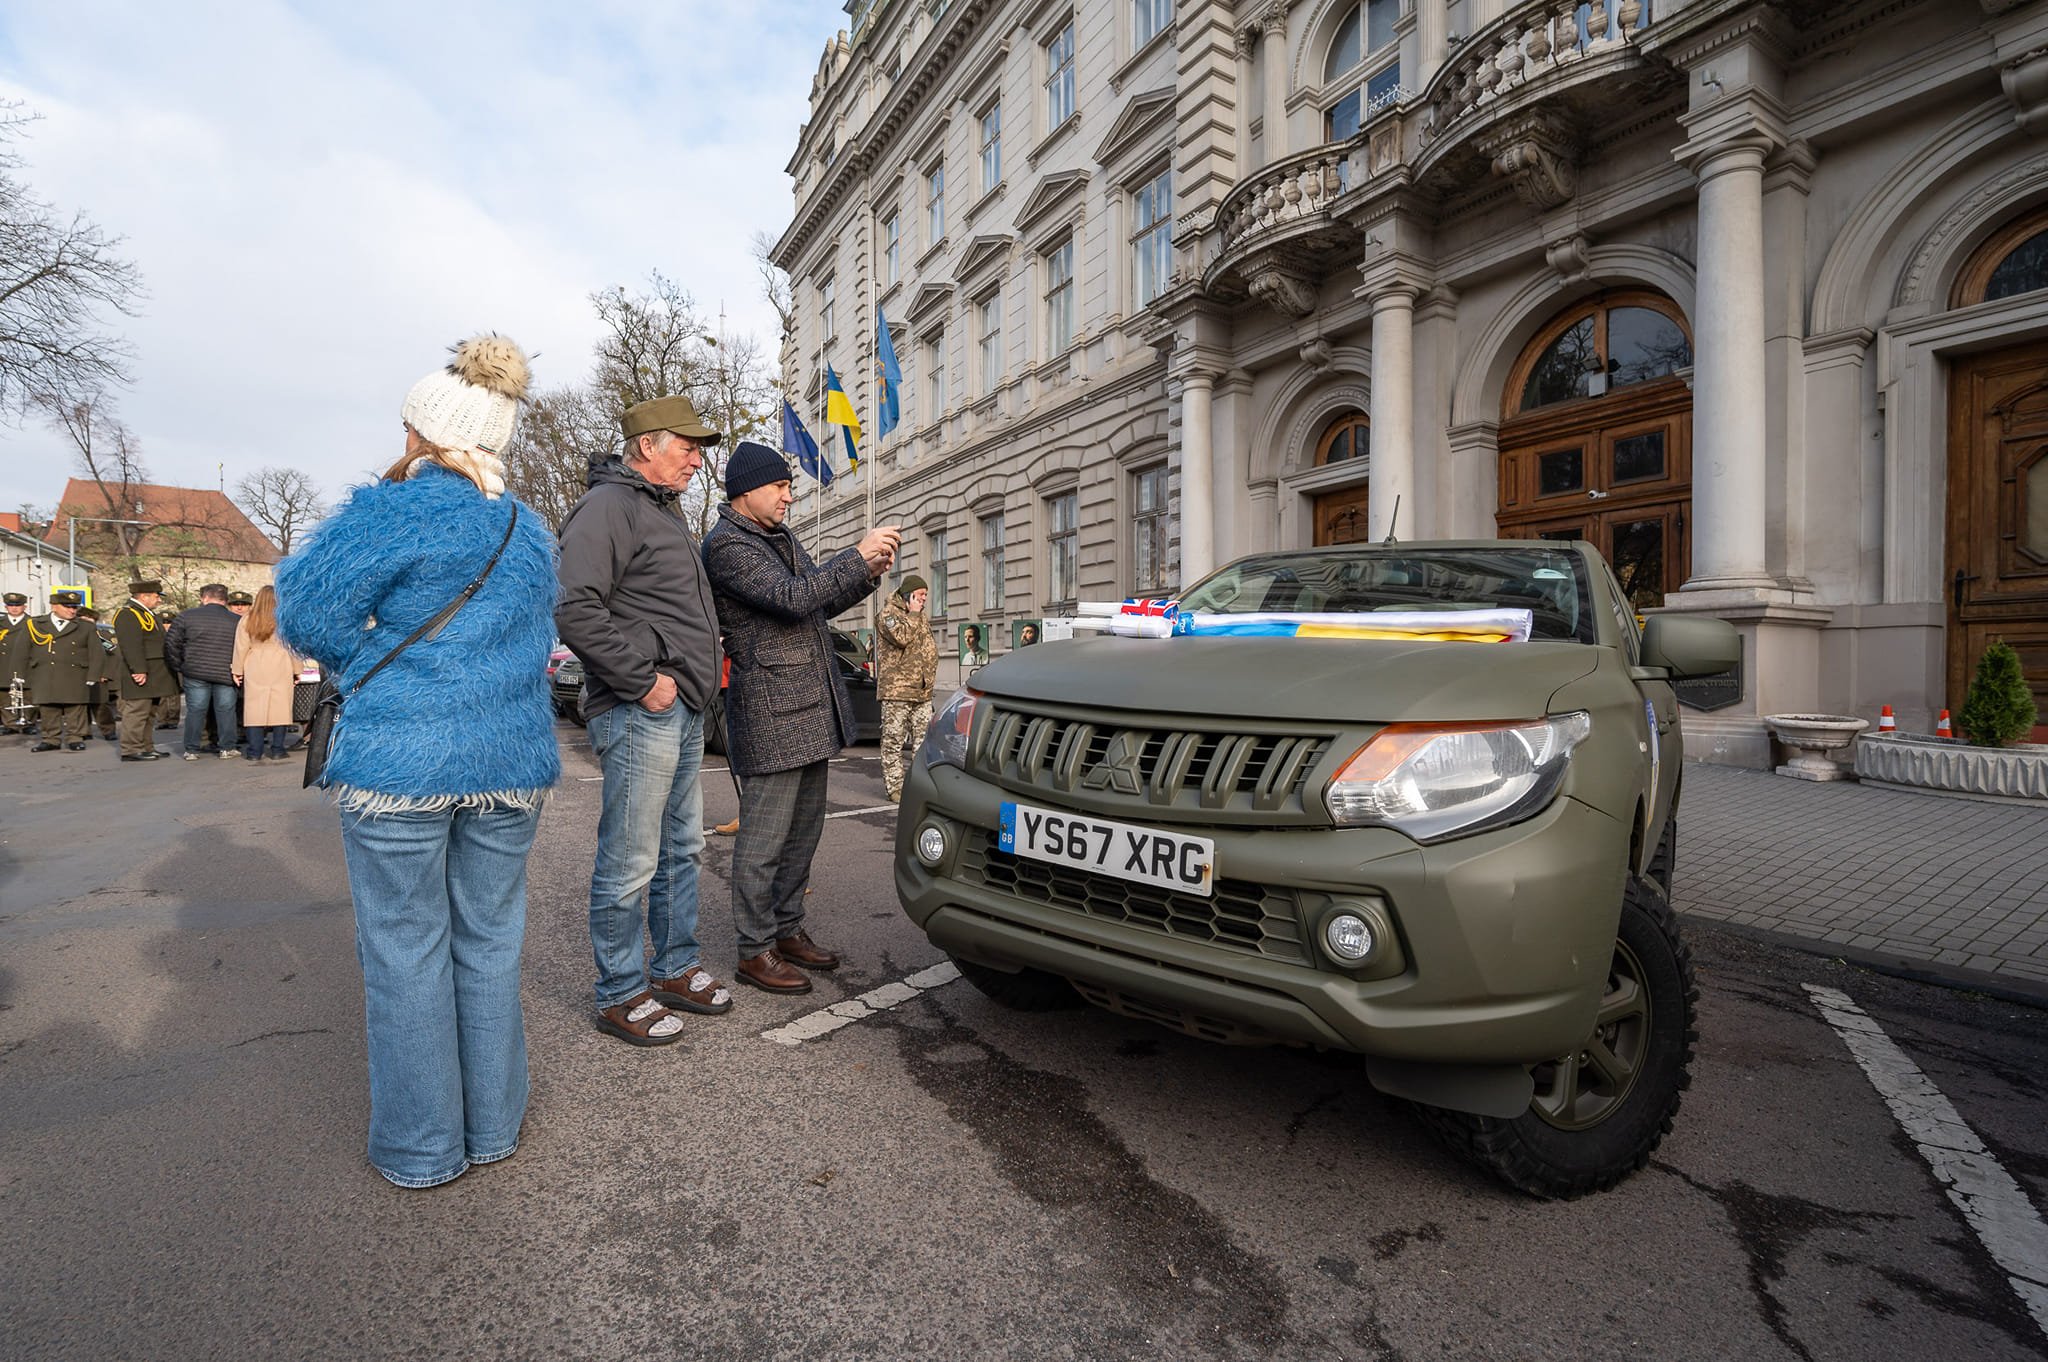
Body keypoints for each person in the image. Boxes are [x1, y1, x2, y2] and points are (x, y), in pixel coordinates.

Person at [275, 334, 559, 1189]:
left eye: (407, 426)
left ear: (425, 434)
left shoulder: (389, 511)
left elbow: (305, 610)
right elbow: (535, 636)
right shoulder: (529, 527)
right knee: (489, 942)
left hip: (400, 763)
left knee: (405, 952)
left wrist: (365, 664)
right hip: (508, 762)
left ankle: (421, 1147)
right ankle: (493, 1129)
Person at [556, 394, 731, 1045]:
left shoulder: (662, 510)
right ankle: (619, 992)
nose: (695, 458)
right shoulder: (609, 506)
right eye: (686, 446)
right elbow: (574, 607)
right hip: (641, 709)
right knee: (632, 858)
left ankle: (675, 967)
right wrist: (643, 681)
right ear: (647, 444)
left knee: (681, 848)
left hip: (680, 707)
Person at [701, 440, 898, 994]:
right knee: (763, 842)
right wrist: (853, 556)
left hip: (806, 709)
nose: (790, 496)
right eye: (781, 487)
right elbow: (790, 597)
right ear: (746, 491)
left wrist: (865, 573)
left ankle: (786, 930)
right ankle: (754, 948)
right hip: (770, 712)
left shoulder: (777, 536)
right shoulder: (726, 546)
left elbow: (817, 601)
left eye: (790, 486)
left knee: (802, 834)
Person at [876, 575, 937, 804]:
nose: (924, 600)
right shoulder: (889, 615)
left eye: (925, 596)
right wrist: (912, 613)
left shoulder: (919, 616)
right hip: (897, 691)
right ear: (909, 595)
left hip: (921, 691)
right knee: (893, 740)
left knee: (924, 742)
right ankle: (895, 787)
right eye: (920, 595)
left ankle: (918, 785)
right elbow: (901, 638)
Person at [166, 582, 244, 760]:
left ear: (205, 598)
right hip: (226, 672)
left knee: (195, 710)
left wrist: (181, 666)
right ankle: (227, 747)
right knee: (226, 710)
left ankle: (192, 750)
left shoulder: (186, 616)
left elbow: (171, 644)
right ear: (225, 600)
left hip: (195, 671)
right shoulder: (236, 620)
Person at [22, 589, 98, 751]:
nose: (72, 610)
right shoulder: (35, 624)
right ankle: (51, 739)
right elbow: (21, 651)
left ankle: (75, 737)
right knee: (48, 707)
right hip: (44, 673)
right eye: (67, 607)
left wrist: (94, 674)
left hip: (76, 673)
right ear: (54, 606)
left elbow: (96, 653)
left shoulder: (85, 627)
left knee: (75, 707)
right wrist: (19, 675)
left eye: (75, 607)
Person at [232, 585, 300, 761]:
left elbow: (241, 647)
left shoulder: (248, 619)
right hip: (281, 663)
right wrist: (297, 670)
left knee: (254, 709)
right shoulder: (285, 619)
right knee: (281, 708)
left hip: (255, 663)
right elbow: (293, 647)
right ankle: (278, 749)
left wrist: (237, 670)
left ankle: (255, 751)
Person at [112, 580, 175, 760]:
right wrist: (138, 669)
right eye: (156, 596)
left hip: (154, 671)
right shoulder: (128, 614)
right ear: (144, 596)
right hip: (142, 670)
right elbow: (131, 645)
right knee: (137, 710)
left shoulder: (146, 613)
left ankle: (146, 746)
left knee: (149, 711)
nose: (159, 600)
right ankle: (131, 749)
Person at [77, 606, 119, 740]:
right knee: (80, 706)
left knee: (100, 705)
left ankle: (108, 731)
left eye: (88, 621)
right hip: (78, 675)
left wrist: (105, 674)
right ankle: (84, 731)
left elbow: (112, 655)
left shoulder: (102, 637)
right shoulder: (73, 635)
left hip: (98, 675)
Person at [1, 590, 34, 734]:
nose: (14, 608)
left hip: (26, 665)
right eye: (10, 605)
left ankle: (28, 723)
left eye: (18, 605)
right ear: (5, 607)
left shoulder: (33, 623)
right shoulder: (1, 623)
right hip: (4, 664)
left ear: (24, 607)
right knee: (6, 697)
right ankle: (10, 724)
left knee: (28, 696)